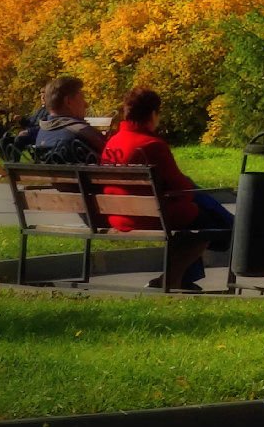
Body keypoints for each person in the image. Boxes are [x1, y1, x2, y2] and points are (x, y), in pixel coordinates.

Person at [100, 86, 232, 290]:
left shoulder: (113, 142)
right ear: (152, 114)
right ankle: (171, 280)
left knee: (200, 217)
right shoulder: (152, 145)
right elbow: (180, 186)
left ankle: (180, 281)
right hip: (151, 215)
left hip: (119, 214)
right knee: (207, 224)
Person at [29, 75, 105, 163]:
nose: (86, 104)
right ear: (68, 101)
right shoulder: (83, 133)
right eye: (82, 98)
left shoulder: (42, 134)